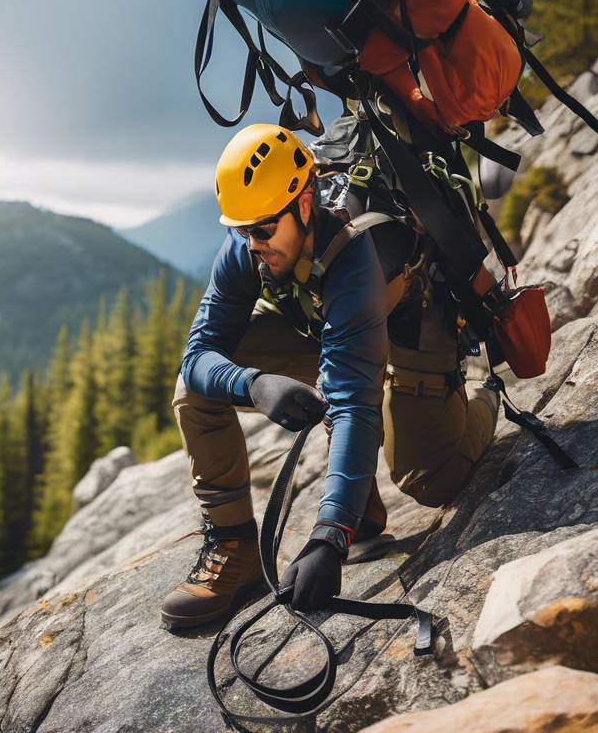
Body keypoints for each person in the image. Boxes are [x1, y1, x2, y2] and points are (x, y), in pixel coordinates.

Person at [161, 122, 501, 630]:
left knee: (432, 479)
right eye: (239, 229)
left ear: (302, 205)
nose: (250, 244)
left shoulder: (358, 256)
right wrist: (253, 383)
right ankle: (235, 548)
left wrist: (328, 536)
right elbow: (198, 355)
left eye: (261, 230)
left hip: (408, 320)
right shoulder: (248, 247)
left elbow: (352, 403)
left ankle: (483, 398)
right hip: (327, 321)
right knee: (197, 389)